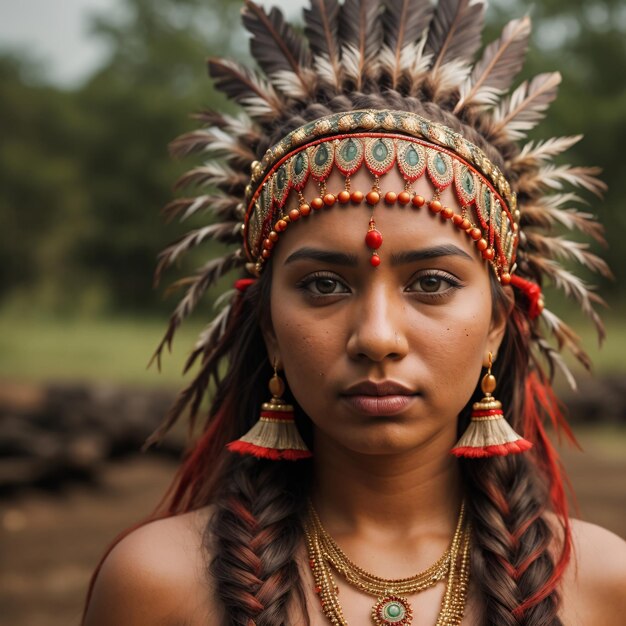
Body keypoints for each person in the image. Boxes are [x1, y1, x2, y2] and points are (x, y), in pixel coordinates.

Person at [82, 1, 626, 624]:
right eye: (321, 285)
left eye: (431, 282)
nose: (376, 337)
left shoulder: (604, 587)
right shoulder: (156, 586)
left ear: (496, 327)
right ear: (270, 329)